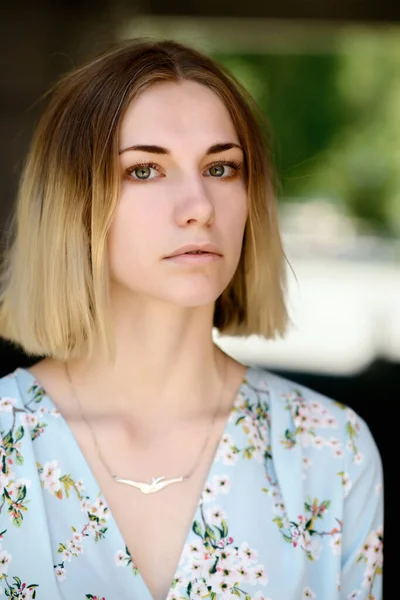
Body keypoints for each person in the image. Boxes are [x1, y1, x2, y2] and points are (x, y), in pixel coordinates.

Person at [0, 38, 383, 600]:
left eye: (221, 167)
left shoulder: (330, 450)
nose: (199, 205)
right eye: (146, 170)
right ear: (71, 201)